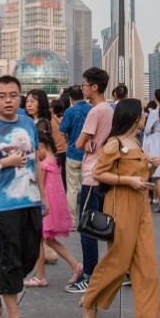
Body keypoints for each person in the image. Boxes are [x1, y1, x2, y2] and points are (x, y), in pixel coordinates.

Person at [81, 98, 160, 318]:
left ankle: (146, 315)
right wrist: (127, 180)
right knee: (119, 260)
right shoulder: (114, 143)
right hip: (120, 201)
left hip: (140, 203)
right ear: (134, 117)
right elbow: (98, 173)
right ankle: (90, 300)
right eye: (143, 114)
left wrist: (150, 166)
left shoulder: (136, 141)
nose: (145, 117)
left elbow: (141, 175)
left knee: (146, 260)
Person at [0, 75, 42, 318]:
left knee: (28, 259)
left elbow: (36, 159)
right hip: (0, 204)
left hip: (31, 200)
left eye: (13, 95)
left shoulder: (28, 123)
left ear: (20, 96)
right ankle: (15, 316)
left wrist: (44, 197)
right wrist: (6, 162)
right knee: (9, 259)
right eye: (2, 96)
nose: (8, 100)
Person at [67, 67, 113, 295]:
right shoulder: (109, 110)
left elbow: (77, 143)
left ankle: (89, 276)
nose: (82, 87)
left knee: (87, 228)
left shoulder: (95, 112)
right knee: (107, 225)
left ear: (94, 87)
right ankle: (120, 268)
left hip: (92, 175)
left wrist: (84, 142)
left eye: (85, 83)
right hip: (103, 172)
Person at [26, 132, 82, 288]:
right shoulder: (54, 161)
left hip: (46, 206)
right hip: (55, 205)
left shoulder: (44, 165)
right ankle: (76, 265)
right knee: (48, 240)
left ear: (41, 147)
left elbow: (40, 187)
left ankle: (40, 277)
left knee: (40, 240)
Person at [59, 85, 90, 227]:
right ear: (83, 94)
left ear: (70, 98)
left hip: (72, 152)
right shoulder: (92, 109)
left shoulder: (69, 112)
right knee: (87, 187)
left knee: (71, 189)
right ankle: (87, 218)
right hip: (89, 154)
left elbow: (62, 130)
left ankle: (71, 221)